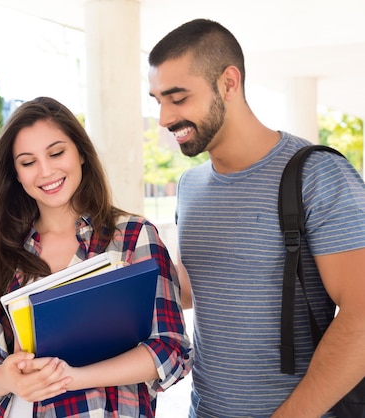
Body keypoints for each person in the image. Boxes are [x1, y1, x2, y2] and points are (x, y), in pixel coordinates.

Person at [148, 18, 365, 417]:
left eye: (177, 98)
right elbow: (194, 287)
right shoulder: (190, 185)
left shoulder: (318, 175)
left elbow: (362, 314)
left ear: (229, 83)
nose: (163, 118)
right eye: (157, 100)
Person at [0, 96, 192, 417]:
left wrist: (73, 377)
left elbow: (170, 348)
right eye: (28, 162)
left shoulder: (134, 236)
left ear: (81, 152)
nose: (46, 170)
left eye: (56, 153)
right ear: (16, 174)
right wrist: (8, 377)